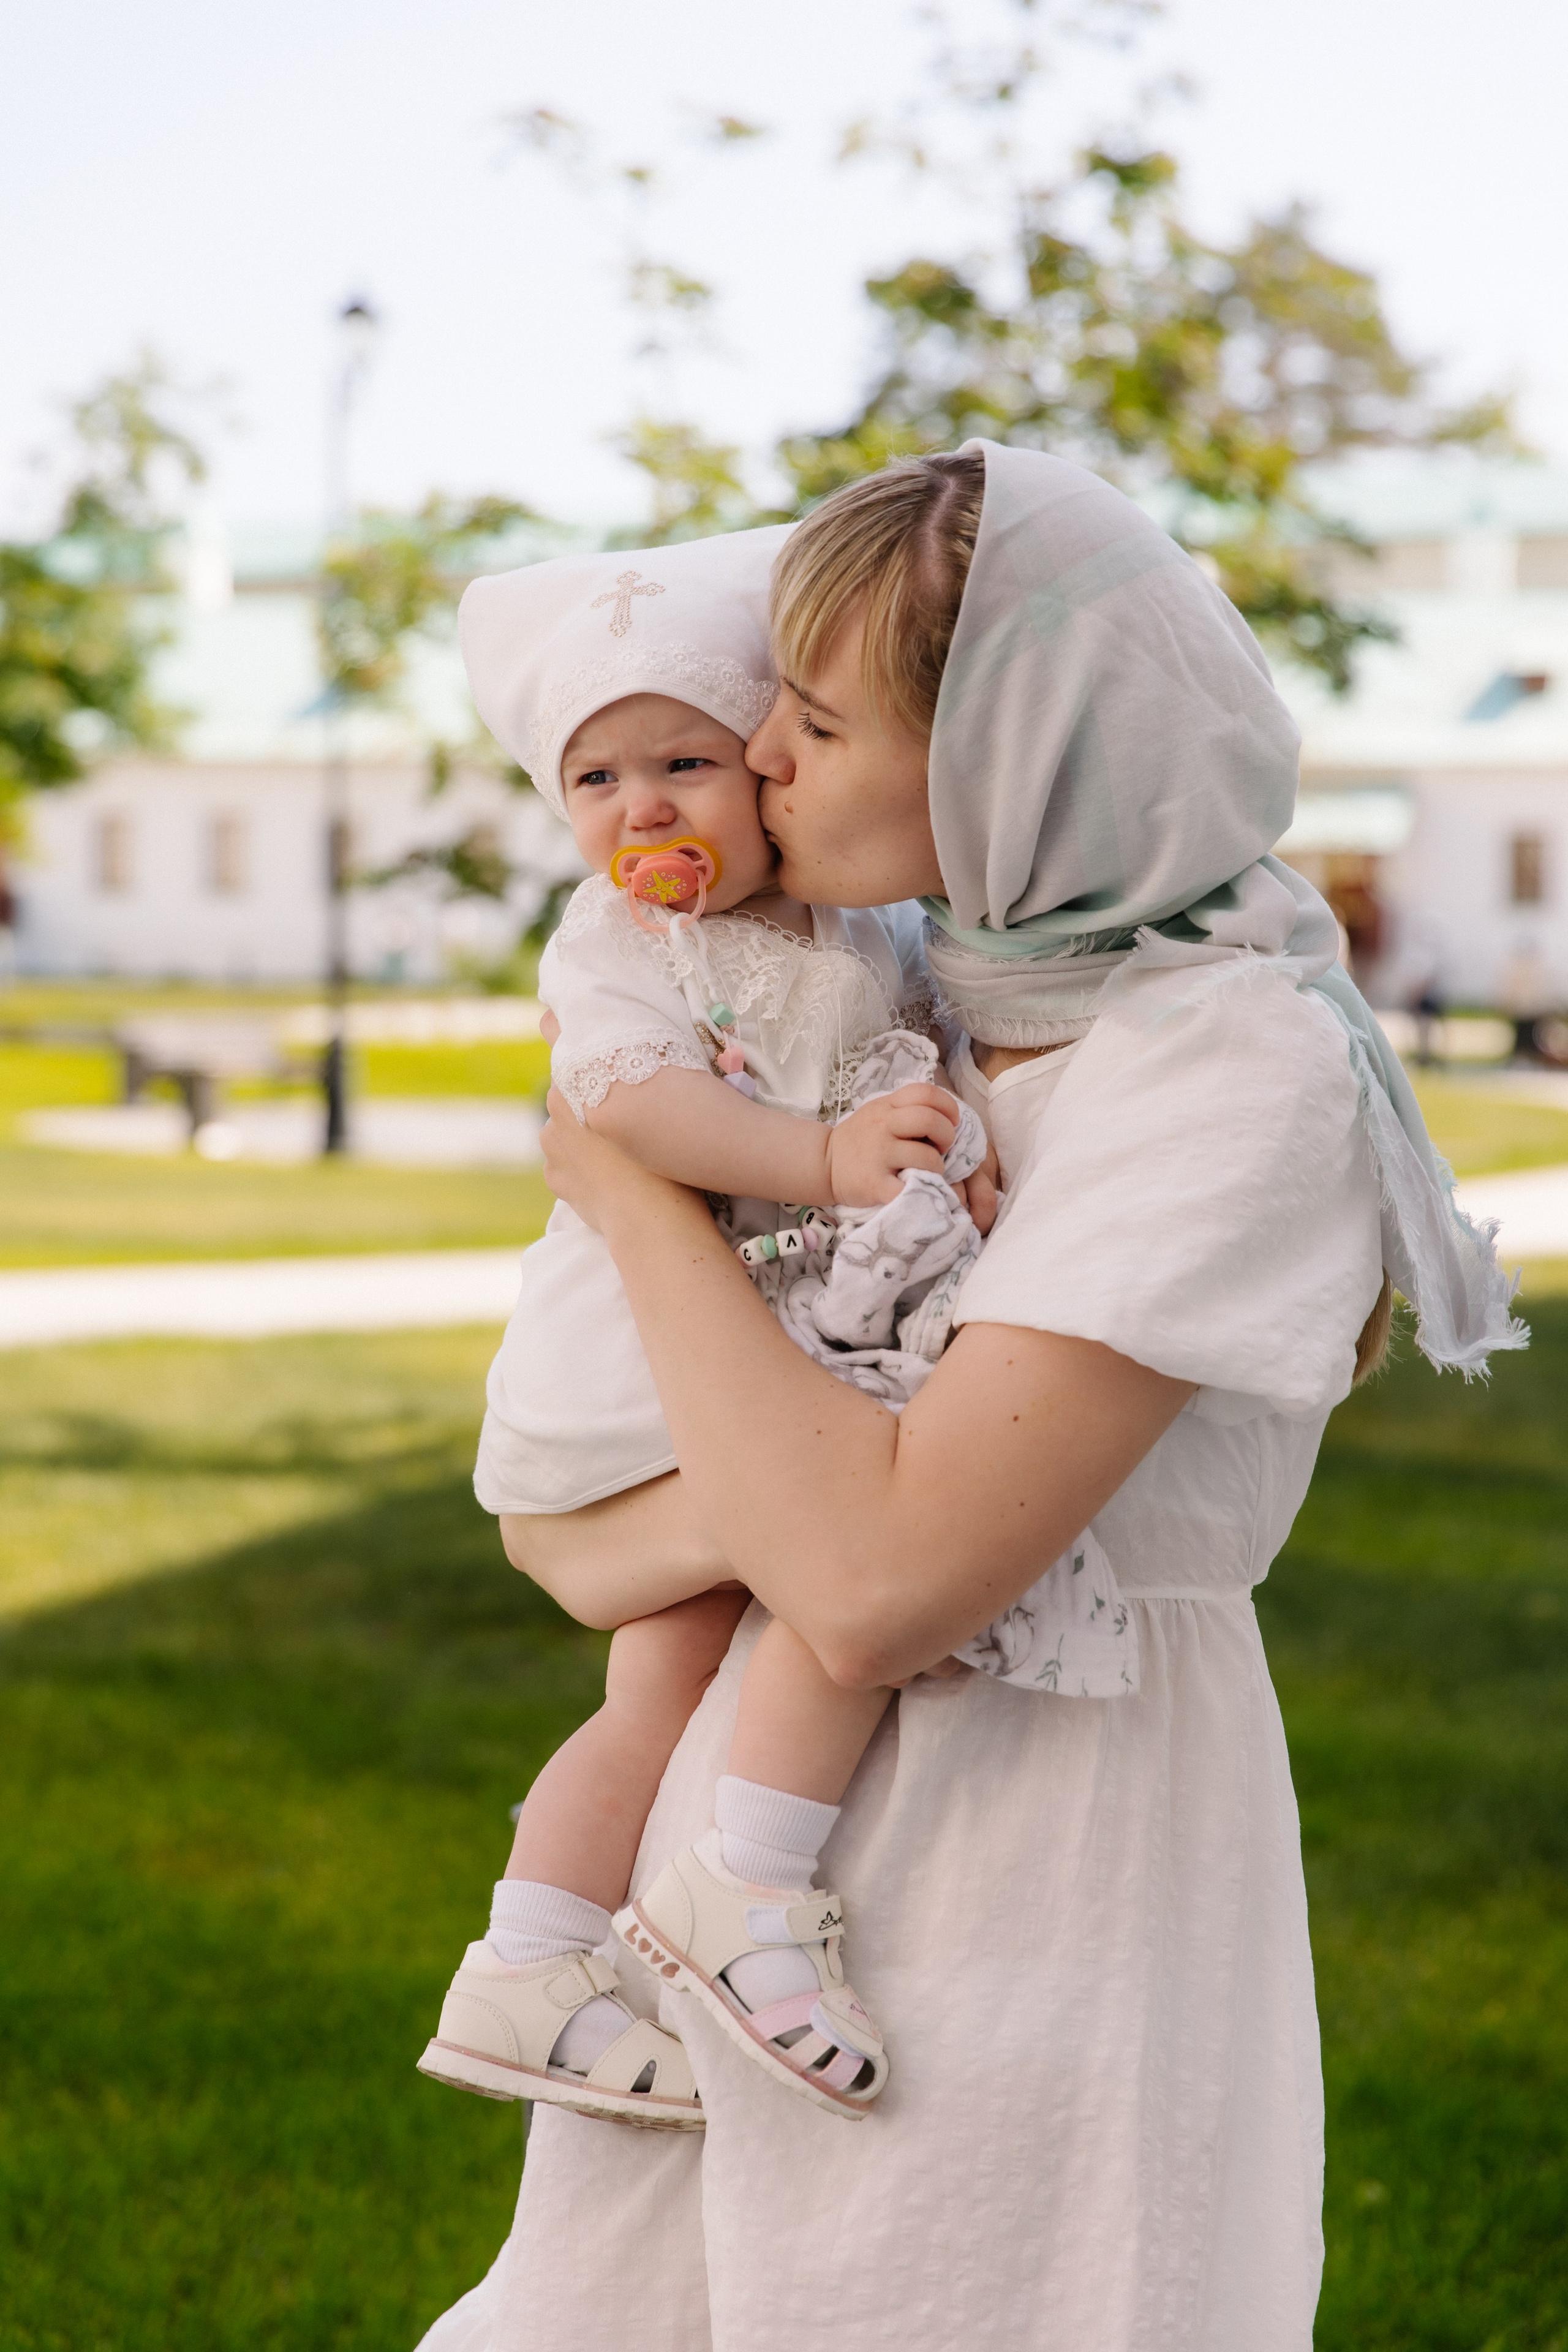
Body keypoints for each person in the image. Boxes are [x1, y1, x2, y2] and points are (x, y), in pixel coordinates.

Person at [418, 445, 1521, 2352]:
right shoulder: (913, 1004)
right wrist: (764, 1490)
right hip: (740, 1838)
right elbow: (573, 1546)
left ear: (1006, 751)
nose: (756, 760)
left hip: (1034, 1851)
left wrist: (627, 1192)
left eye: (816, 723)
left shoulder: (1227, 1062)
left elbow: (871, 1581)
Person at [423, 530, 1107, 2132]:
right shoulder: (622, 945)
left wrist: (958, 1160)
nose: (640, 808)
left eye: (685, 760)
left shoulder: (860, 931)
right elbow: (624, 1108)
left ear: (771, 775)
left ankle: (528, 1960)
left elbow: (915, 1064)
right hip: (644, 1366)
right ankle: (755, 1886)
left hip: (761, 1339)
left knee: (656, 1687)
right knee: (824, 1576)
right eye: (595, 780)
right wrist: (814, 1163)